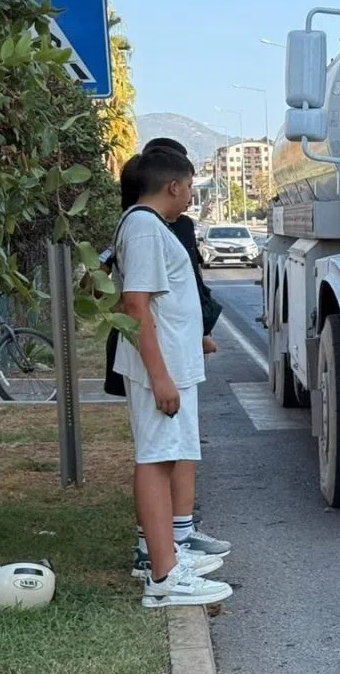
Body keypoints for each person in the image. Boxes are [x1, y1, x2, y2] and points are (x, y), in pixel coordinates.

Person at [112, 147, 233, 608]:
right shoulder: (145, 229)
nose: (189, 196)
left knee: (163, 460)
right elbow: (136, 307)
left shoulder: (147, 227)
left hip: (171, 366)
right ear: (174, 186)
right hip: (159, 371)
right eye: (189, 186)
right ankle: (163, 577)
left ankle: (168, 558)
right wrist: (160, 377)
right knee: (155, 460)